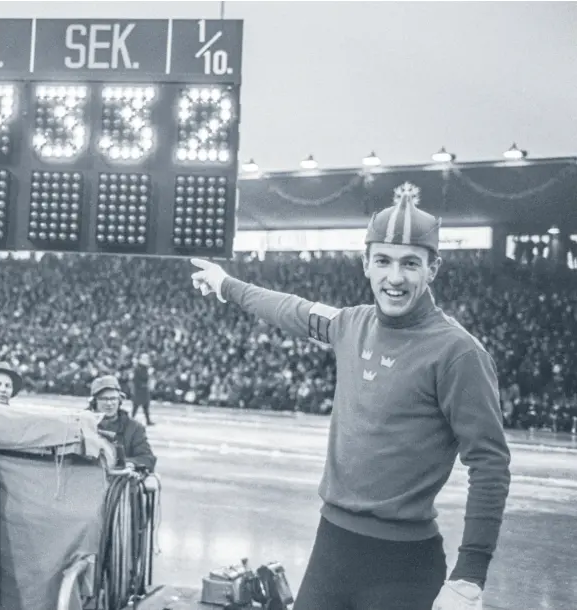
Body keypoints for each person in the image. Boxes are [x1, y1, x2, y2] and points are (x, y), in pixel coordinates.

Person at [190, 189, 511, 610]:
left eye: (410, 263)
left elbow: (489, 463)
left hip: (405, 567)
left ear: (433, 268)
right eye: (383, 260)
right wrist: (226, 284)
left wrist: (470, 574)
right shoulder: (350, 324)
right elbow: (291, 309)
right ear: (366, 263)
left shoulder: (458, 353)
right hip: (332, 552)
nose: (395, 277)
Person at [89, 374, 157, 472]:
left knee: (151, 484)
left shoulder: (134, 428)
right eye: (104, 399)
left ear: (120, 401)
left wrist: (129, 463)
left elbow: (147, 458)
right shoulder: (81, 424)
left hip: (121, 482)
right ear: (94, 402)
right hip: (87, 480)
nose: (109, 403)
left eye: (113, 398)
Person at [132, 353, 154, 425]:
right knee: (136, 406)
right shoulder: (139, 369)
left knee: (145, 406)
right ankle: (131, 419)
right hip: (140, 390)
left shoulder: (144, 368)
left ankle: (148, 420)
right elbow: (139, 379)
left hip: (143, 390)